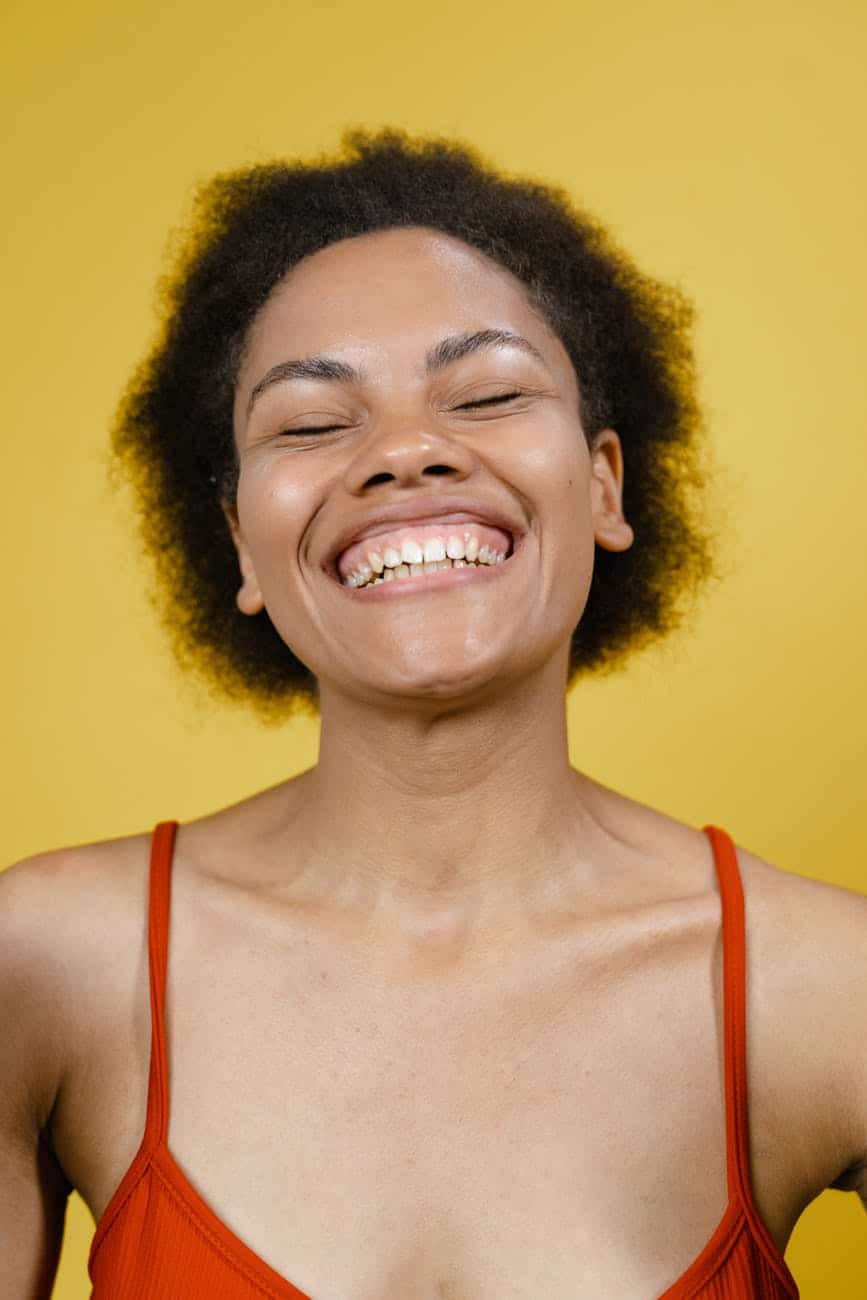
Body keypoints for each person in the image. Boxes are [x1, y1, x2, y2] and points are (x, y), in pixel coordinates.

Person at [2, 126, 865, 1300]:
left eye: (490, 393)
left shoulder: (826, 989)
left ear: (604, 483)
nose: (406, 451)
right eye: (312, 422)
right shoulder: (46, 967)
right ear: (238, 543)